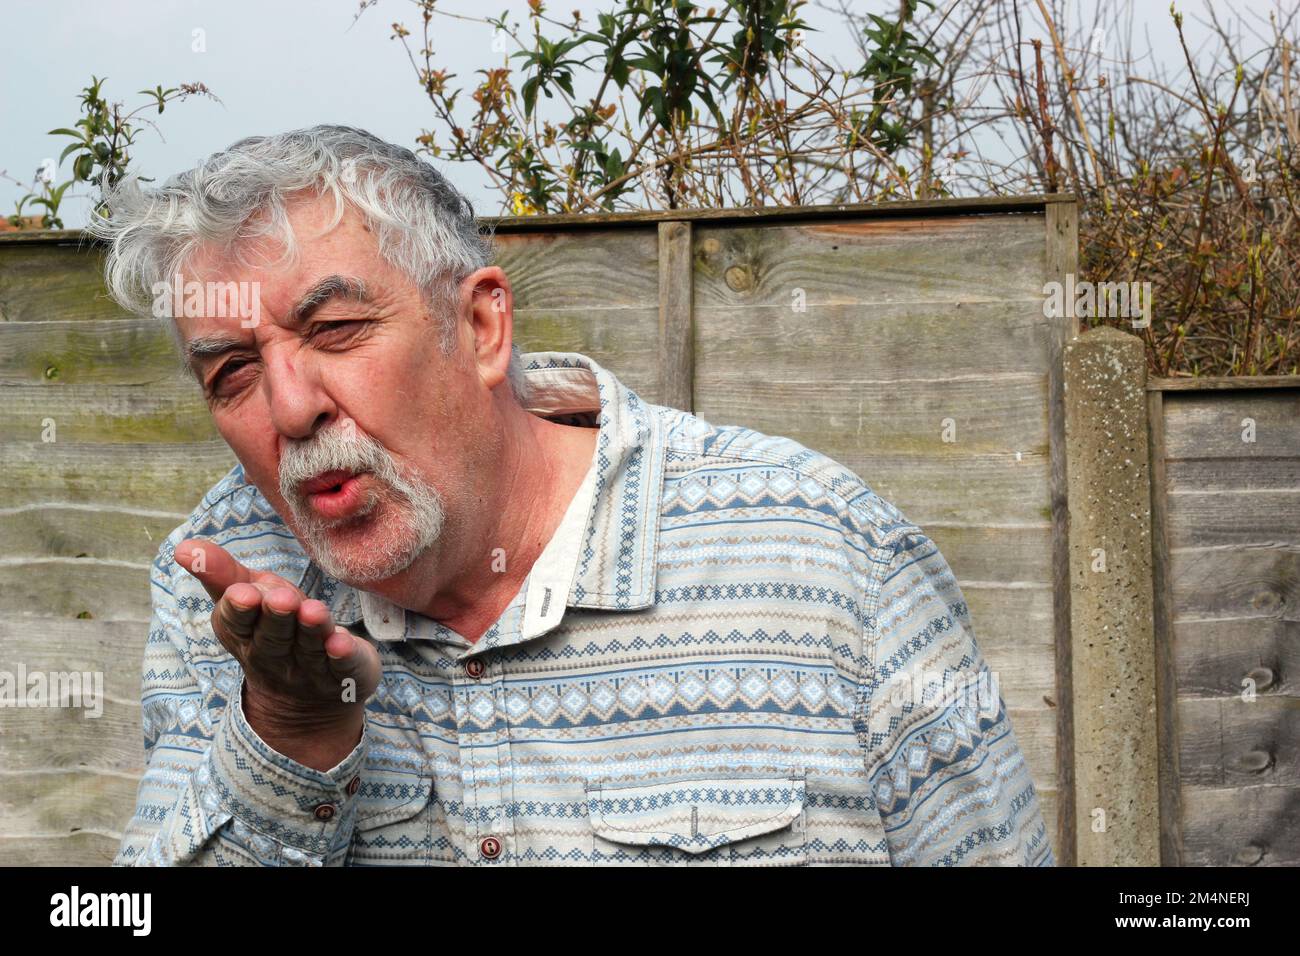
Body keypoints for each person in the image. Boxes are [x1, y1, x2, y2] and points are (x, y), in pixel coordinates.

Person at [92, 125, 1054, 866]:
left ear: (477, 325)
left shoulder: (826, 551)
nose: (292, 408)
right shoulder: (225, 587)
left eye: (337, 329)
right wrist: (289, 736)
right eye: (232, 375)